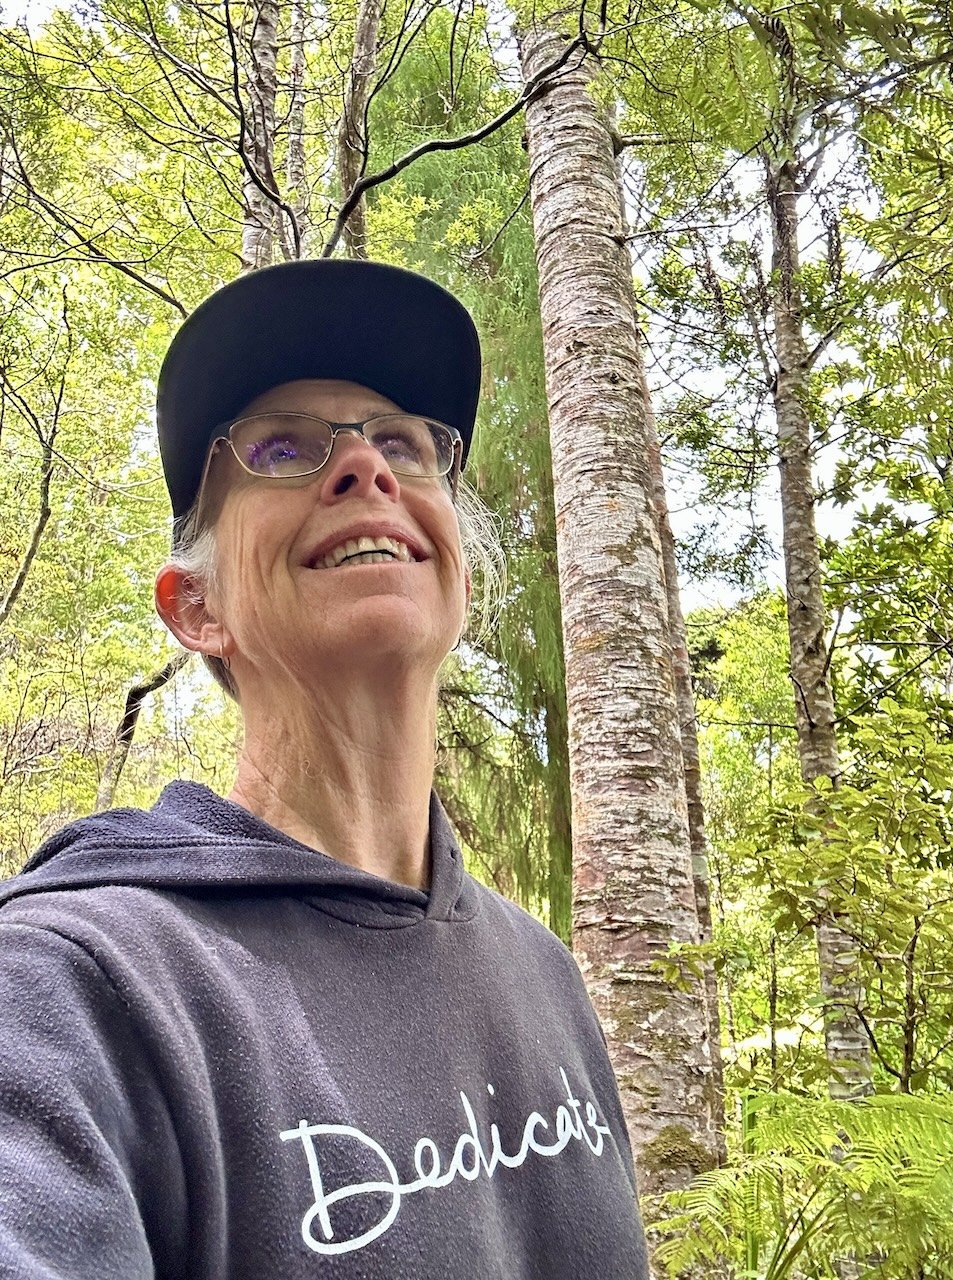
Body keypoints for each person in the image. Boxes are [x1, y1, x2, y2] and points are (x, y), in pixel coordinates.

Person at [0, 259, 649, 1278]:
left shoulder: (543, 972)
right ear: (194, 608)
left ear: (458, 569)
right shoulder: (74, 982)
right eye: (283, 446)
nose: (365, 467)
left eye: (401, 441)